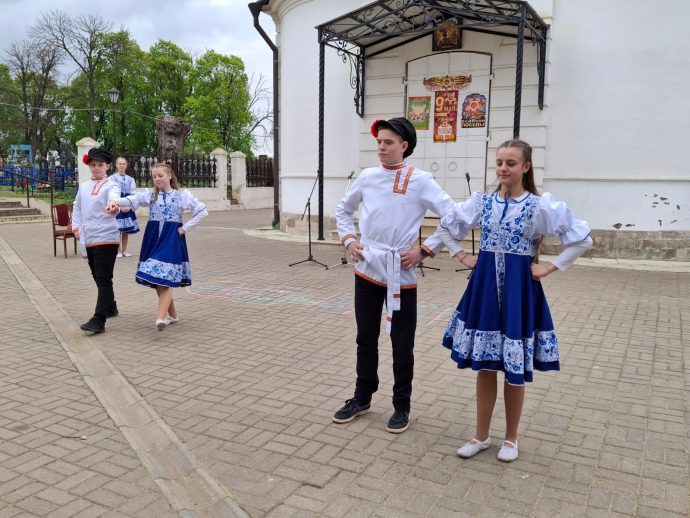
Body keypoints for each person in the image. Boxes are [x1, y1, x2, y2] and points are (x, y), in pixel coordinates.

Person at [438, 139, 593, 462]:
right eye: (499, 163)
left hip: (518, 292)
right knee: (484, 366)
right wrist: (462, 255)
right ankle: (481, 436)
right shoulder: (483, 203)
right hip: (484, 289)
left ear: (526, 167)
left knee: (514, 366)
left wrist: (549, 267)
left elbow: (582, 238)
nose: (503, 169)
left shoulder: (538, 207)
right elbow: (445, 226)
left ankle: (511, 439)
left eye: (510, 163)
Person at [333, 117, 462, 434]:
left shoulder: (421, 180)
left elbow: (454, 216)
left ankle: (401, 405)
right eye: (379, 141)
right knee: (365, 337)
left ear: (404, 146)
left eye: (388, 142)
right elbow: (343, 210)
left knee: (402, 344)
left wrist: (425, 250)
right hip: (367, 268)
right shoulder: (367, 176)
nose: (381, 147)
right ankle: (362, 397)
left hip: (400, 271)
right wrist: (349, 240)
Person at [107, 163, 208, 331]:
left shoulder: (182, 196)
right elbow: (132, 200)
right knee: (157, 277)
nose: (157, 179)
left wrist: (184, 228)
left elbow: (202, 211)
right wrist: (114, 201)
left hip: (171, 239)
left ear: (169, 175)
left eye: (160, 175)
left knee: (164, 276)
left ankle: (160, 318)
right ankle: (172, 315)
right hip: (153, 239)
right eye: (154, 176)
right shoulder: (151, 195)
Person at [72, 148, 121, 334]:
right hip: (88, 236)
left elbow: (114, 198)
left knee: (103, 278)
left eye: (100, 164)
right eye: (93, 164)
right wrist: (76, 227)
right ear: (89, 166)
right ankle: (111, 306)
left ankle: (98, 320)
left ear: (107, 166)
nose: (97, 167)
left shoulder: (112, 185)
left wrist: (113, 205)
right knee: (97, 275)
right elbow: (77, 207)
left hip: (106, 236)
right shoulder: (84, 186)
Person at [110, 156, 139, 257]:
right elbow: (111, 194)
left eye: (124, 164)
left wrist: (129, 206)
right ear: (116, 165)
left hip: (128, 203)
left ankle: (124, 250)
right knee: (117, 229)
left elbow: (133, 193)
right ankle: (117, 251)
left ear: (126, 165)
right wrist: (120, 207)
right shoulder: (112, 178)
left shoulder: (130, 179)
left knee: (126, 229)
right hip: (116, 204)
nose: (122, 165)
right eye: (120, 164)